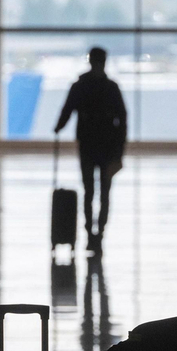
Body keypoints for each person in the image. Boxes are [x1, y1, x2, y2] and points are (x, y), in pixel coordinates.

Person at [53, 47, 126, 254]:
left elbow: (68, 109)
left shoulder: (81, 86)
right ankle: (98, 235)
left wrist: (59, 126)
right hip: (107, 147)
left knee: (90, 192)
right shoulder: (111, 88)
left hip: (88, 145)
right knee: (103, 192)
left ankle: (91, 234)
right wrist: (119, 151)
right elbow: (122, 120)